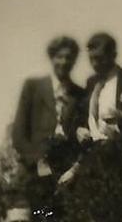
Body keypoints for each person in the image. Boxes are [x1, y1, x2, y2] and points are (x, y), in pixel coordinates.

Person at [10, 36, 86, 180]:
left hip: (67, 172)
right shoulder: (33, 87)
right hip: (35, 171)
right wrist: (37, 161)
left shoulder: (80, 94)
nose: (64, 62)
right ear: (51, 58)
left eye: (69, 57)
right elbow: (18, 134)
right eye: (59, 57)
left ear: (74, 60)